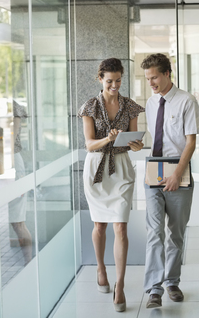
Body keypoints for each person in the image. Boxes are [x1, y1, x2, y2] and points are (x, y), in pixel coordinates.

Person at [78, 58, 145, 312]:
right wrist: (108, 137)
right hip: (97, 169)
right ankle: (100, 267)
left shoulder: (130, 106)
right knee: (100, 225)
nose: (114, 85)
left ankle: (120, 284)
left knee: (120, 227)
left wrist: (135, 144)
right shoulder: (90, 107)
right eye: (109, 81)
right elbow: (88, 144)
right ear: (100, 79)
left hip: (121, 169)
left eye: (118, 80)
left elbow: (133, 141)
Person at [141, 53, 199, 308]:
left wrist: (177, 173)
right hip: (154, 173)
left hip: (180, 173)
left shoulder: (187, 101)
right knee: (154, 232)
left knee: (175, 233)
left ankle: (172, 282)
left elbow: (191, 142)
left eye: (154, 77)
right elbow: (154, 137)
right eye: (148, 78)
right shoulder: (151, 102)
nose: (151, 83)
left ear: (167, 73)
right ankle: (154, 288)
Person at [8, 100, 32, 265]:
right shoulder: (12, 111)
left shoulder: (15, 112)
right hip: (15, 170)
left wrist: (20, 182)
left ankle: (29, 261)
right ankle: (28, 261)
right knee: (16, 223)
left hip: (17, 170)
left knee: (18, 223)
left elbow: (11, 144)